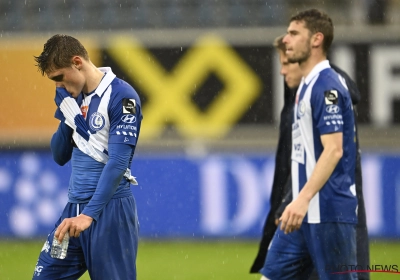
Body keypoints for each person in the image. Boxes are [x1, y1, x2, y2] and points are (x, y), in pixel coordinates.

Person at [251, 34, 370, 279]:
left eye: (287, 63)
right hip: (300, 213)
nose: (283, 71)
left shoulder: (327, 92)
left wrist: (294, 200)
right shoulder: (299, 98)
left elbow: (331, 154)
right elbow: (296, 160)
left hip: (324, 212)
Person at [32, 34, 142, 280]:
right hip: (74, 210)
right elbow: (59, 155)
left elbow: (117, 162)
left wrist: (89, 215)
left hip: (109, 211)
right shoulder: (74, 97)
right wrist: (67, 114)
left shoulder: (123, 97)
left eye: (59, 77)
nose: (58, 85)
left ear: (77, 62)